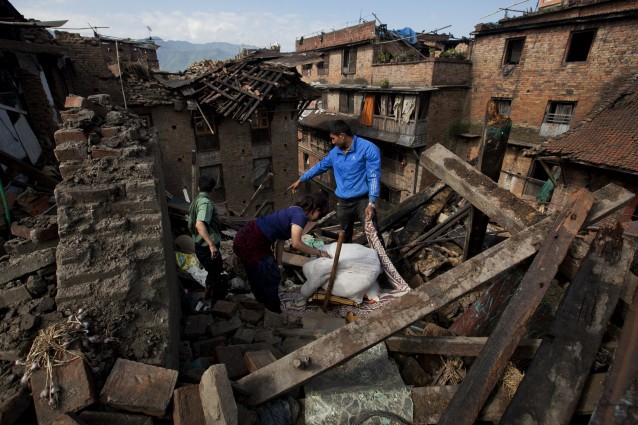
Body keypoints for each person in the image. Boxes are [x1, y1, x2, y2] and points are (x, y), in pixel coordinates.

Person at [233, 192, 332, 313]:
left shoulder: (295, 210)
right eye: (319, 215)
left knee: (267, 272)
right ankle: (272, 310)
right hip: (249, 241)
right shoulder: (300, 217)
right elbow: (296, 243)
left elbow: (281, 240)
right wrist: (319, 252)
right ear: (316, 209)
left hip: (253, 239)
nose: (317, 219)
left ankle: (262, 304)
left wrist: (279, 264)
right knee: (267, 275)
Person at [287, 120, 382, 243]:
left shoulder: (368, 149)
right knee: (344, 236)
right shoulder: (335, 153)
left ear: (342, 136)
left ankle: (382, 260)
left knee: (372, 233)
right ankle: (346, 260)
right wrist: (301, 179)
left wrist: (371, 203)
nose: (332, 142)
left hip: (363, 200)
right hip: (343, 201)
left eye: (333, 138)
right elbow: (320, 166)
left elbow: (373, 176)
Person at [188, 176, 228, 307]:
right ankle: (215, 304)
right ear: (214, 189)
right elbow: (199, 224)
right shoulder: (205, 203)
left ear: (199, 188)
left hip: (201, 245)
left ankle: (208, 299)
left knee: (214, 272)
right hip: (206, 246)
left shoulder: (196, 201)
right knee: (216, 275)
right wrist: (211, 245)